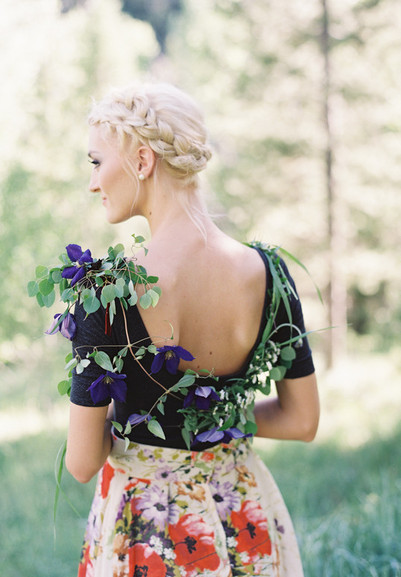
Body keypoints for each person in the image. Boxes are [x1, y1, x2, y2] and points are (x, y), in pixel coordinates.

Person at [65, 82, 319, 577]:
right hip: (242, 515)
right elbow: (302, 420)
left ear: (142, 161)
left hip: (148, 531)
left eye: (96, 162)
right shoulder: (269, 273)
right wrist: (218, 419)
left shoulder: (107, 290)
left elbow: (81, 462)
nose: (93, 183)